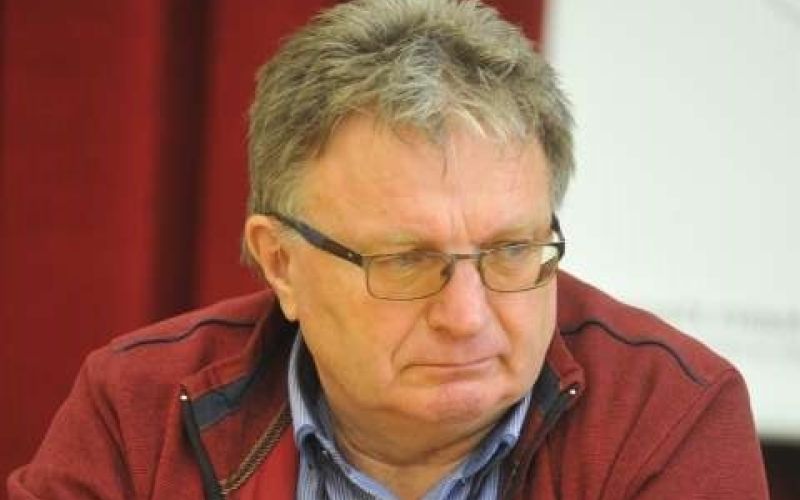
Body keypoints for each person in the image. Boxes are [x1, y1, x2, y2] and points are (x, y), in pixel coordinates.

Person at [8, 0, 769, 498]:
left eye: (510, 250)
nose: (467, 316)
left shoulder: (666, 415)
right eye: (406, 261)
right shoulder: (140, 411)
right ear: (280, 262)